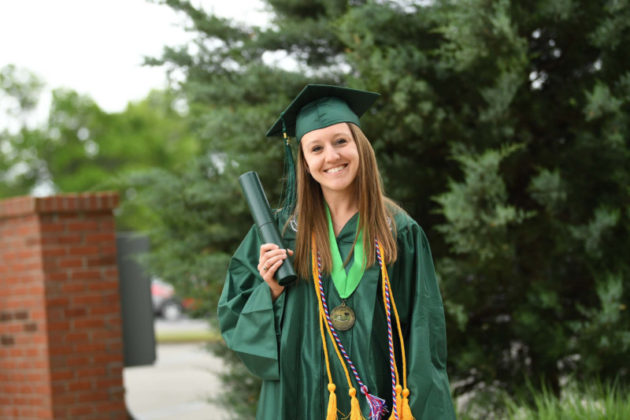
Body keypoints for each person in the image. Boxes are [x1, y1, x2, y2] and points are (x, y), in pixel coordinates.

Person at [218, 84, 456, 420]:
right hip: (298, 397)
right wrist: (269, 292)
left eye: (340, 141)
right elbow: (235, 320)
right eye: (316, 148)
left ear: (360, 146)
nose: (331, 156)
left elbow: (423, 334)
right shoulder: (279, 233)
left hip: (381, 400)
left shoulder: (399, 231)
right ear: (303, 161)